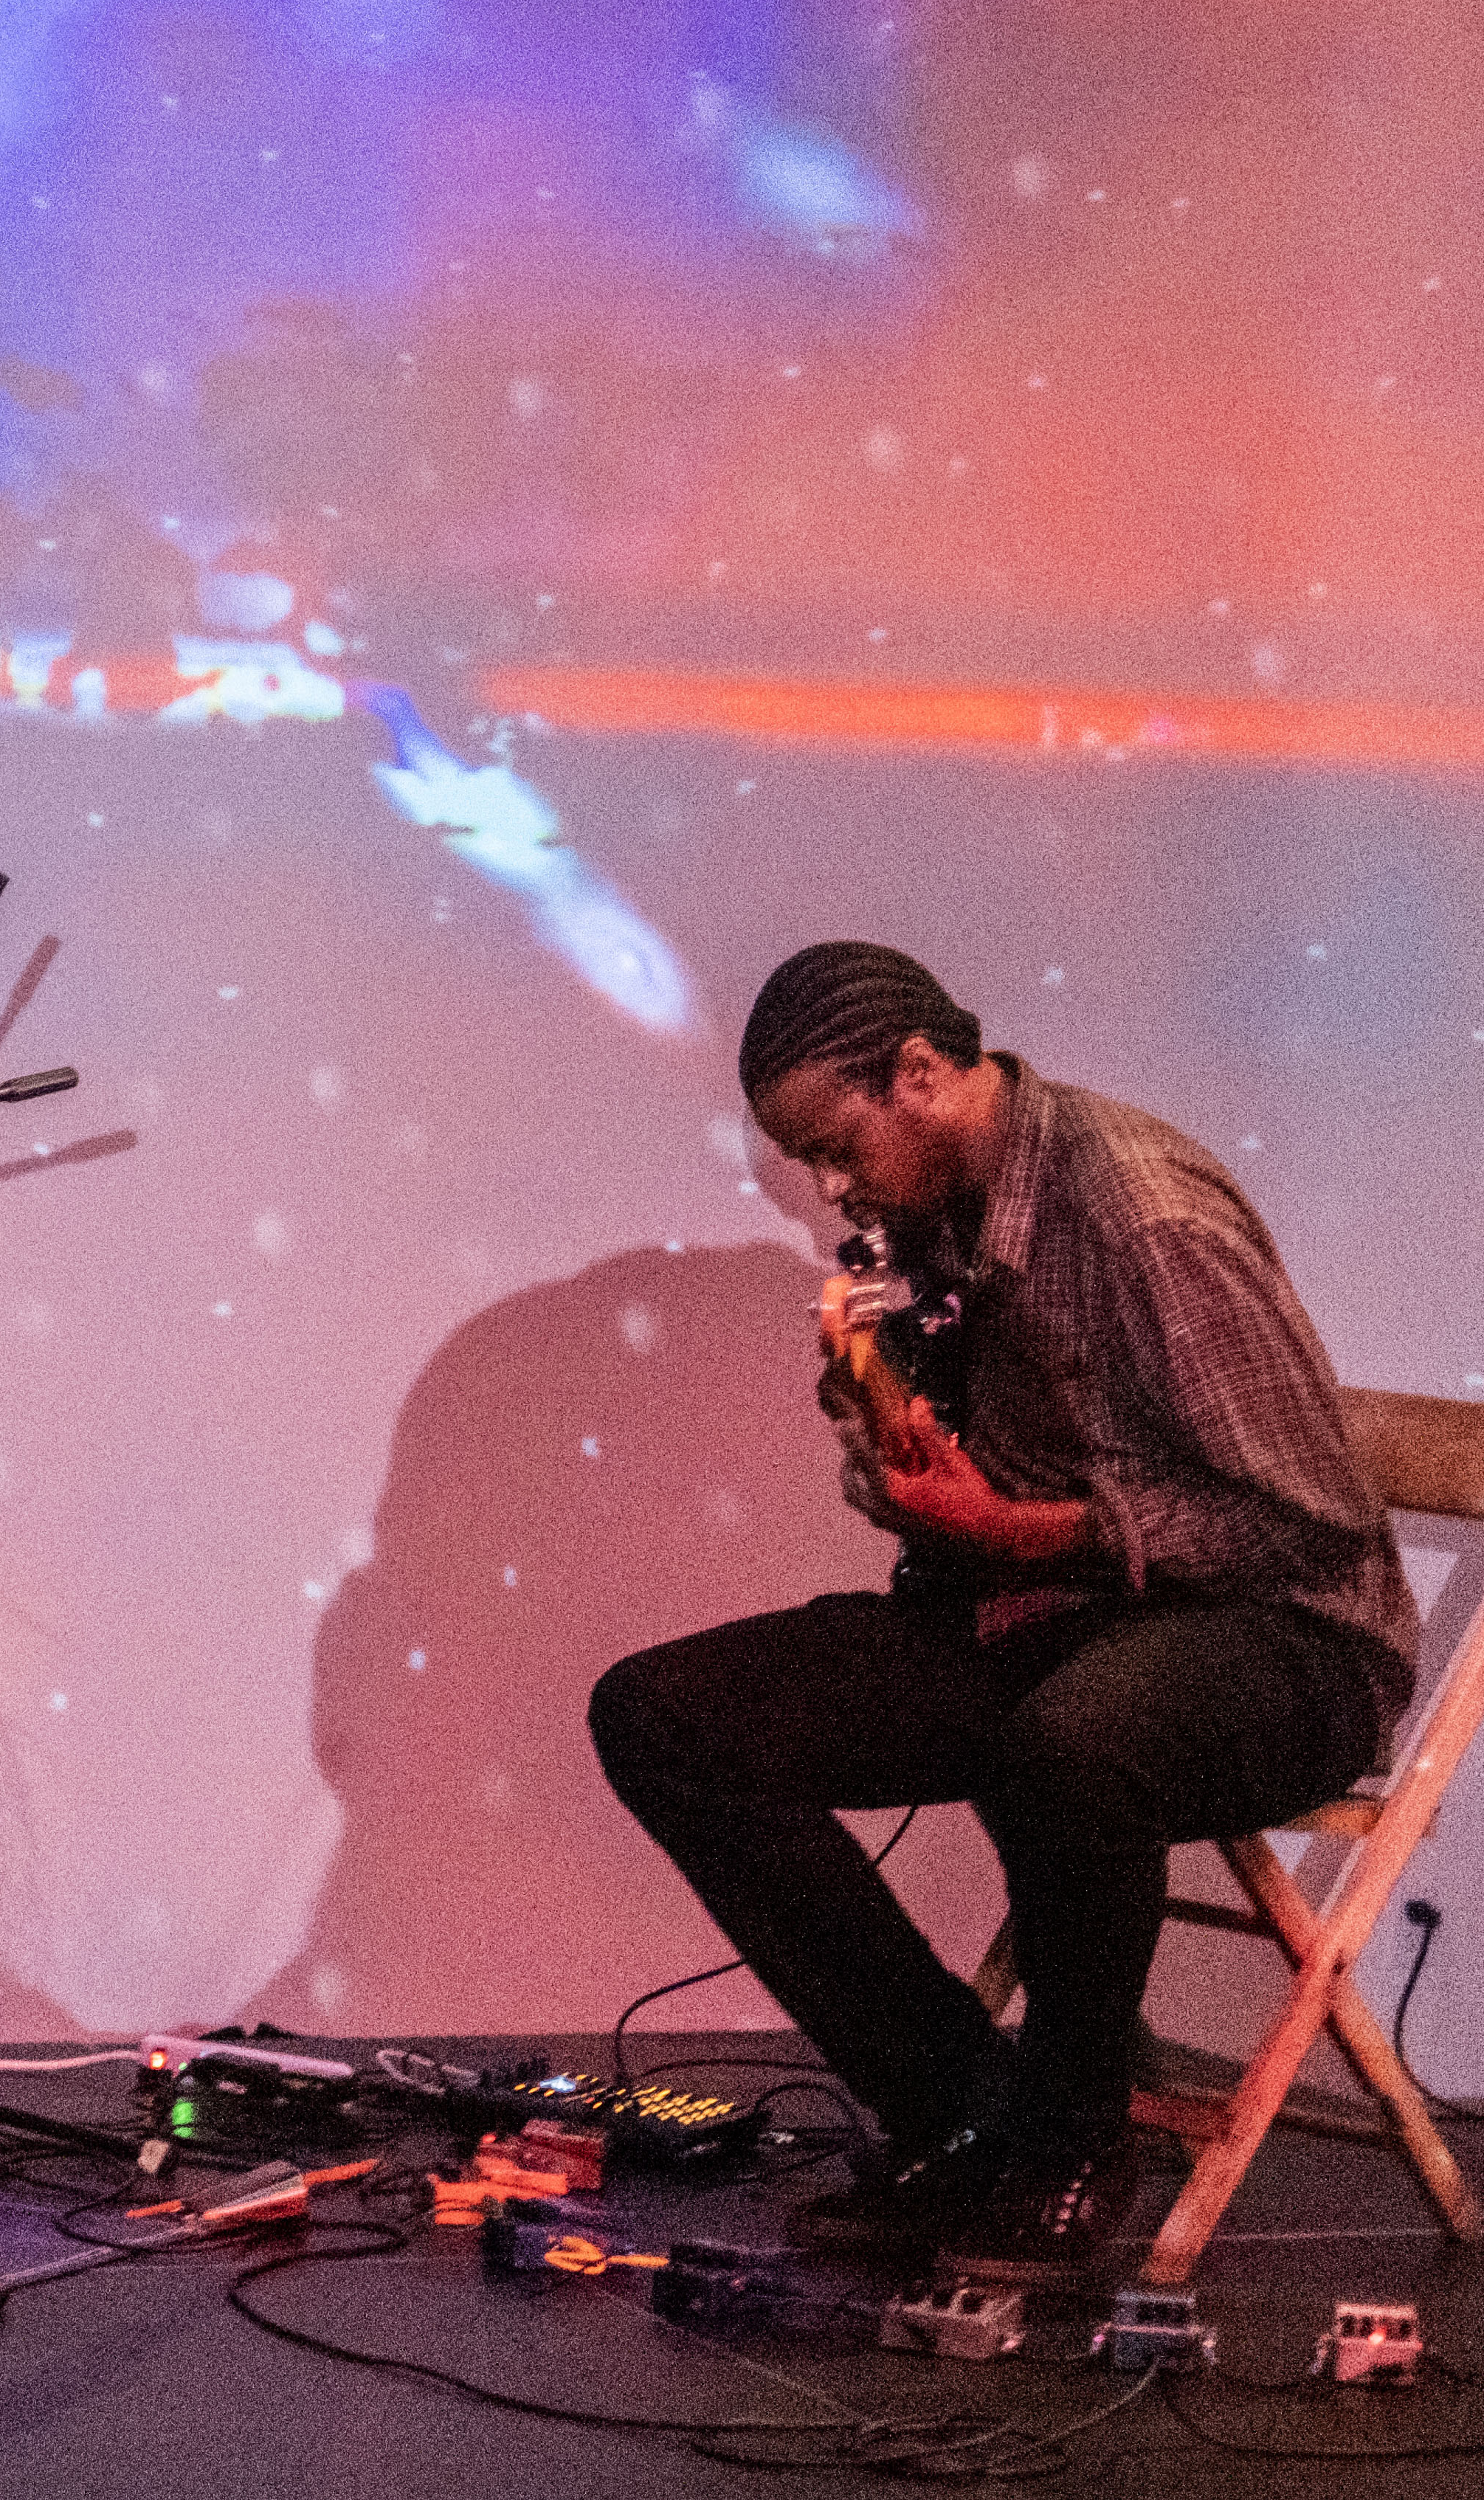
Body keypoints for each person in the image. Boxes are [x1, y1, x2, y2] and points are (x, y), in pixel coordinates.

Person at [588, 943, 1415, 2277]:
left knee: (1073, 1744)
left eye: (834, 1146)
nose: (831, 1186)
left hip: (1289, 1639)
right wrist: (892, 1435)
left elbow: (1310, 1517)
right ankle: (964, 2116)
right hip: (1054, 1606)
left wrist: (1026, 1533)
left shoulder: (1144, 1217)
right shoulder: (938, 1214)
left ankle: (1073, 2144)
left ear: (918, 1073)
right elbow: (963, 1486)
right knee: (667, 1717)